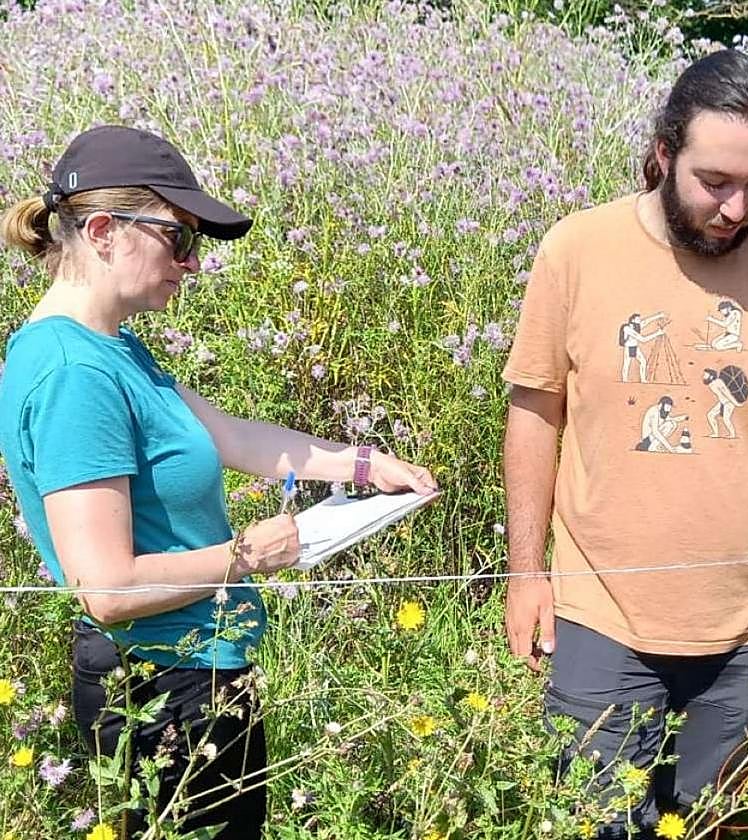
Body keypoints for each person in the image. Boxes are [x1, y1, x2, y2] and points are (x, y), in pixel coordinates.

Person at [0, 125, 437, 839]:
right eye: (178, 238)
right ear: (104, 231)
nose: (193, 263)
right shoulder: (75, 374)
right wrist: (248, 556)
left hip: (190, 672)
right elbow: (107, 588)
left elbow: (231, 437)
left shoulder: (110, 348)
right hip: (158, 685)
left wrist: (364, 465)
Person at [502, 50, 748, 837]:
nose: (738, 207)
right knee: (596, 825)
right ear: (665, 153)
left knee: (723, 826)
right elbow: (535, 414)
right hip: (599, 614)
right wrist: (526, 573)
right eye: (715, 182)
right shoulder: (578, 248)